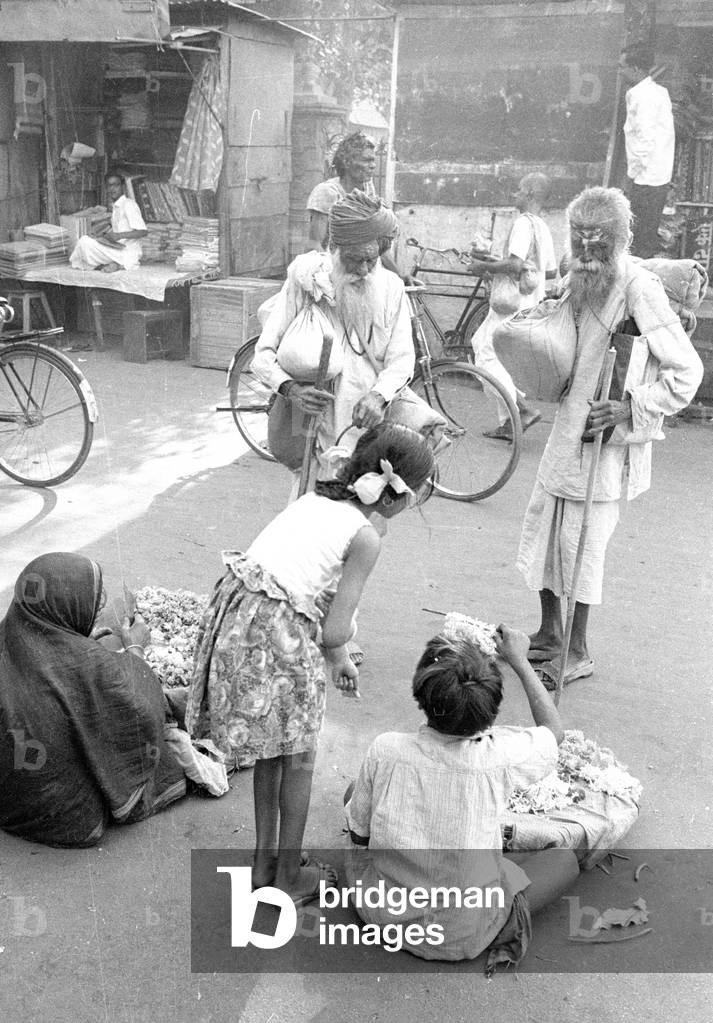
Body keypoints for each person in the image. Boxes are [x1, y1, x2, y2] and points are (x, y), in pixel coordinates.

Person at [186, 424, 435, 905]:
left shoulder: (310, 501)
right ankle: (287, 878)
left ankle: (265, 861)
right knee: (299, 761)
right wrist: (341, 646)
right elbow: (335, 626)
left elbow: (307, 589)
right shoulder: (365, 538)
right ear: (396, 494)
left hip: (242, 622)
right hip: (279, 638)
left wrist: (336, 658)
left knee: (273, 754)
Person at [509, 186, 703, 687]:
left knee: (581, 545)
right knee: (544, 531)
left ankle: (577, 650)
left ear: (619, 241)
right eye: (580, 242)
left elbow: (686, 372)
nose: (587, 254)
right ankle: (549, 635)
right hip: (567, 430)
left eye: (599, 245)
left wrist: (628, 407)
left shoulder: (640, 287)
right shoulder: (578, 279)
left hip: (605, 444)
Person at [343, 624, 579, 972]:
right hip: (463, 932)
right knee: (564, 860)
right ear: (491, 709)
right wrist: (520, 661)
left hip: (381, 914)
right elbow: (554, 733)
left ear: (420, 692)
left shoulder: (386, 749)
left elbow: (359, 836)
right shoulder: (499, 756)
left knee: (356, 791)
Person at [0, 553, 187, 848]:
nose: (99, 609)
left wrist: (80, 641)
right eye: (94, 604)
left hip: (12, 799)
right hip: (65, 813)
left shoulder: (10, 636)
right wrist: (135, 648)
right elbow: (140, 710)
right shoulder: (88, 664)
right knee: (156, 714)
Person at [252, 190, 416, 490]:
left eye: (372, 260)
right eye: (356, 260)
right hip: (313, 434)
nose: (364, 270)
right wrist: (292, 390)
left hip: (369, 435)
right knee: (310, 516)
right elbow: (262, 356)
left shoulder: (391, 287)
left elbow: (403, 359)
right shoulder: (307, 280)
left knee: (364, 522)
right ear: (336, 248)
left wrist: (378, 396)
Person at [468, 173, 558, 440]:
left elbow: (516, 265)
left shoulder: (522, 223)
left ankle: (522, 409)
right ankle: (509, 422)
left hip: (510, 304)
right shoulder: (542, 227)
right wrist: (503, 263)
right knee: (481, 344)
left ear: (530, 193)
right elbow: (549, 271)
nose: (515, 194)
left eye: (519, 190)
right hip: (528, 304)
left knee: (486, 359)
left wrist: (483, 265)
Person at [619, 45, 675, 259]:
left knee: (639, 238)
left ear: (635, 68)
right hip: (655, 175)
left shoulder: (643, 97)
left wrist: (630, 176)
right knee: (645, 235)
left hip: (646, 178)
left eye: (622, 67)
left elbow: (645, 140)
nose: (620, 71)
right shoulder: (656, 92)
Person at [306, 131, 377, 252]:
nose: (373, 165)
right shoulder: (327, 192)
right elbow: (314, 245)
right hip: (332, 263)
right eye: (366, 160)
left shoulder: (367, 188)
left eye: (373, 160)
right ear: (347, 162)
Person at [70, 171, 147, 272]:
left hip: (128, 252)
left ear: (123, 186)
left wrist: (119, 235)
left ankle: (116, 264)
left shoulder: (129, 204)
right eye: (109, 186)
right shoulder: (115, 207)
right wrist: (100, 237)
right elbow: (115, 232)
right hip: (116, 249)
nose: (112, 189)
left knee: (84, 242)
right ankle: (113, 264)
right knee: (85, 241)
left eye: (116, 185)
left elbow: (143, 232)